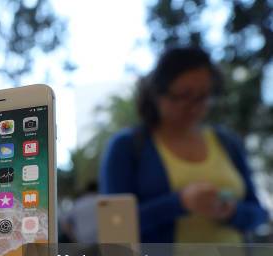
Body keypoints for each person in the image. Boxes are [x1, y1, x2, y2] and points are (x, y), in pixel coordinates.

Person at [100, 47, 268, 243]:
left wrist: (231, 211)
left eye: (203, 96)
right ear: (158, 93)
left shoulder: (228, 142)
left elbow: (258, 213)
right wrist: (179, 203)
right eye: (183, 95)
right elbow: (113, 226)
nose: (194, 106)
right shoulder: (128, 146)